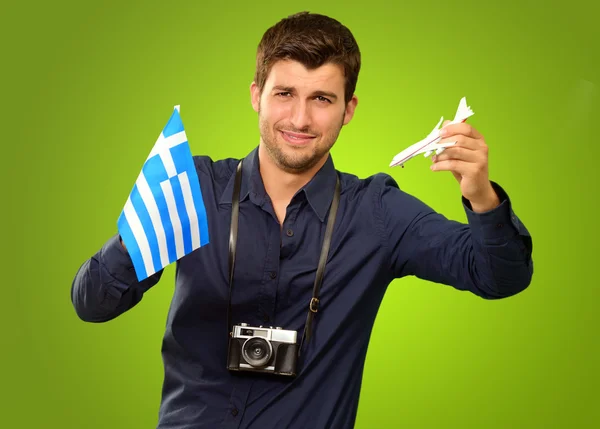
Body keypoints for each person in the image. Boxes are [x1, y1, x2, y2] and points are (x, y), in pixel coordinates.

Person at [71, 11, 534, 429]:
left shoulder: (376, 212)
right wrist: (143, 225)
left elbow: (499, 276)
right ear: (257, 96)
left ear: (348, 110)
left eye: (322, 99)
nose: (300, 117)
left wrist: (481, 196)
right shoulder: (194, 187)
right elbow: (92, 303)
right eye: (285, 93)